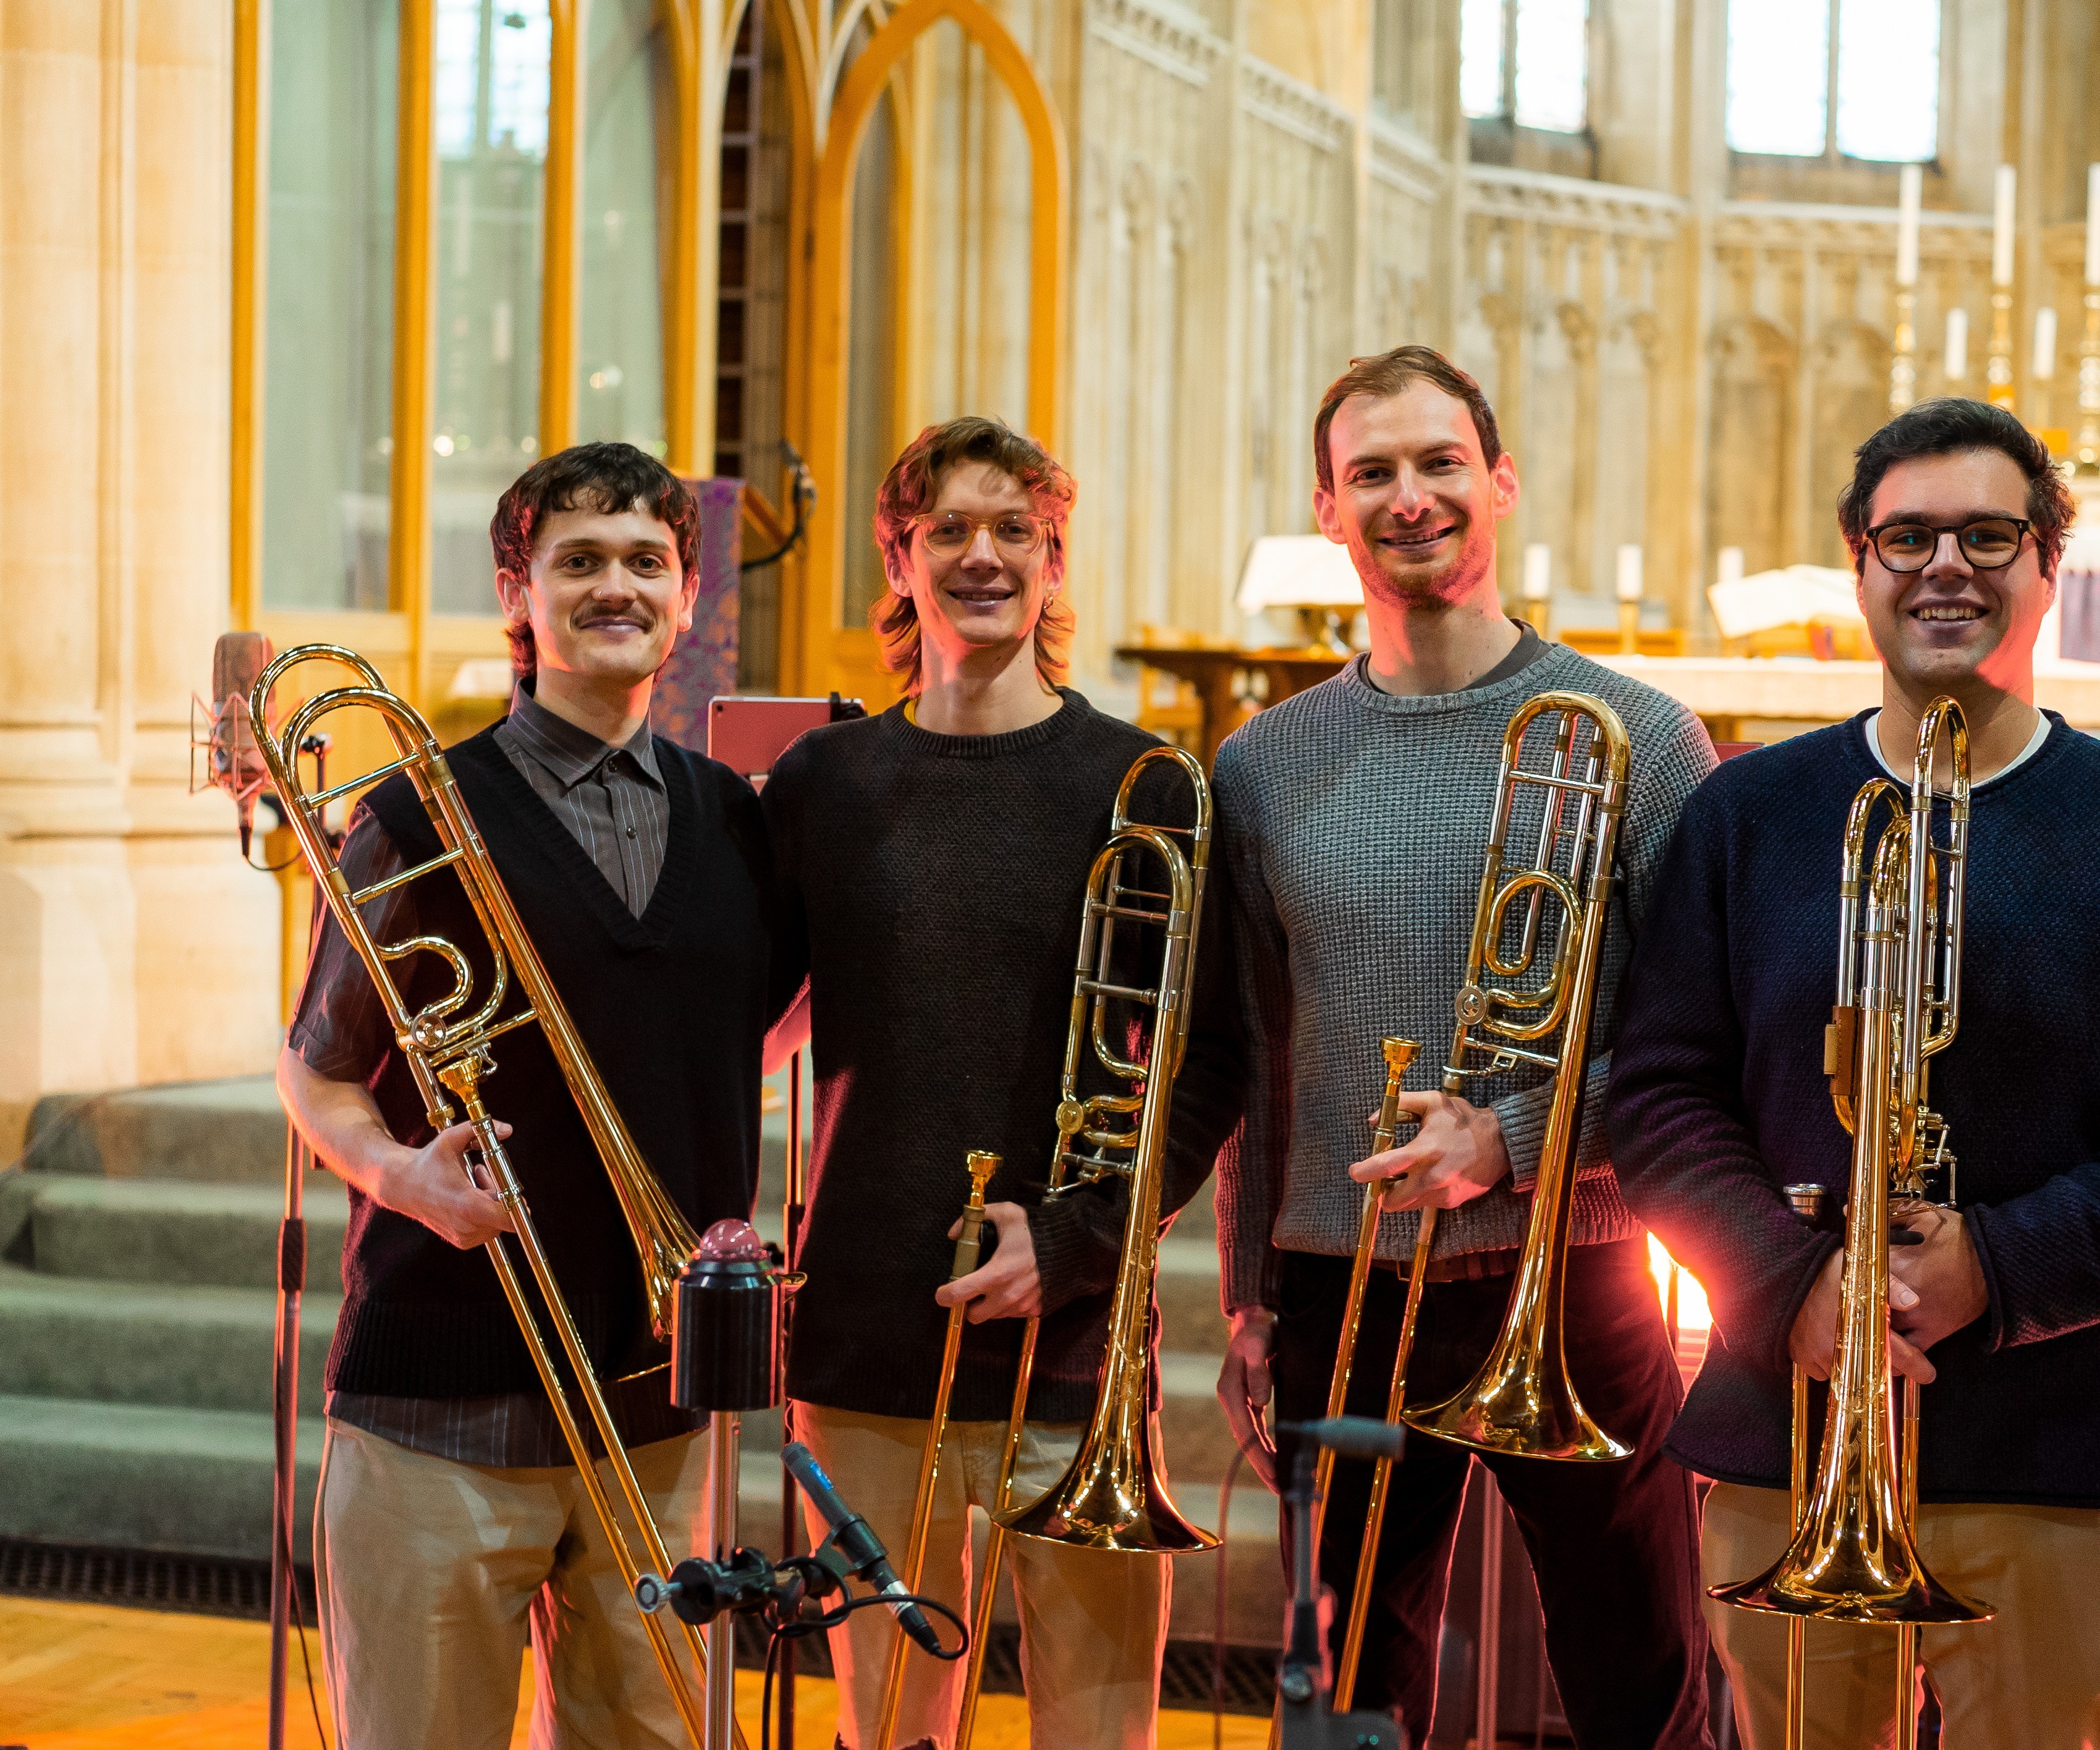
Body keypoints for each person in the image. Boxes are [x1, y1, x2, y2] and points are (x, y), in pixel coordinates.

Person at [1608, 397, 2100, 1750]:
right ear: (1855, 563)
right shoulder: (1746, 812)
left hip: (2046, 1440)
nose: (1944, 567)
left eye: (1988, 536)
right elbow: (1657, 1094)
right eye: (1906, 536)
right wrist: (1783, 1284)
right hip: (1788, 1423)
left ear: (2048, 564)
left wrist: (2000, 1264)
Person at [1209, 345, 1718, 1748]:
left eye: (1438, 462)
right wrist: (1246, 1298)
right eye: (1369, 471)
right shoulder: (1260, 765)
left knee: (1642, 1679)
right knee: (1345, 1695)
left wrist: (1511, 1133)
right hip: (1338, 1279)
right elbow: (1251, 1057)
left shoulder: (1644, 739)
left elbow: (1701, 1052)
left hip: (1580, 1277)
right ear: (1325, 511)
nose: (1408, 495)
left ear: (1498, 483)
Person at [277, 441, 795, 1749]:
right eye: (577, 561)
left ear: (686, 597)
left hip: (658, 1416)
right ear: (517, 594)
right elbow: (319, 1067)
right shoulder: (415, 811)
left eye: (644, 562)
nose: (614, 586)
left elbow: (763, 1023)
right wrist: (399, 1178)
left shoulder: (737, 821)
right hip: (437, 1404)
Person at [763, 415, 1242, 1750]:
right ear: (898, 557)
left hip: (1075, 1347)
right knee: (888, 1734)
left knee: (1097, 1735)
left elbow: (1207, 1069)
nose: (982, 556)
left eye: (1011, 530)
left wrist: (1079, 1243)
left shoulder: (1144, 784)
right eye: (947, 531)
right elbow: (727, 1009)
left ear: (1052, 556)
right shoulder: (822, 782)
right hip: (865, 1345)